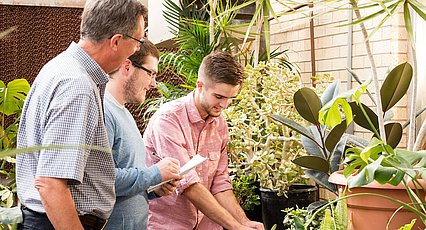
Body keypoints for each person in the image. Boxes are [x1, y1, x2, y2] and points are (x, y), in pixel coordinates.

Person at [16, 0, 147, 229]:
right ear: (116, 41)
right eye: (138, 41)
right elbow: (51, 184)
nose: (137, 49)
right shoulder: (77, 85)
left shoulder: (60, 67)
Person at [143, 51, 265, 230]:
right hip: (167, 225)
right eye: (219, 97)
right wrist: (235, 227)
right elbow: (188, 184)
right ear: (200, 85)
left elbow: (220, 182)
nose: (224, 105)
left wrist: (244, 222)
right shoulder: (168, 119)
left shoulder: (220, 122)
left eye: (231, 98)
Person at [103, 39, 181, 230]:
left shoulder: (125, 114)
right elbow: (102, 180)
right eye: (151, 74)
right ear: (127, 66)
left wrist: (154, 187)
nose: (153, 84)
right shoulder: (104, 111)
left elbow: (131, 176)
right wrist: (154, 173)